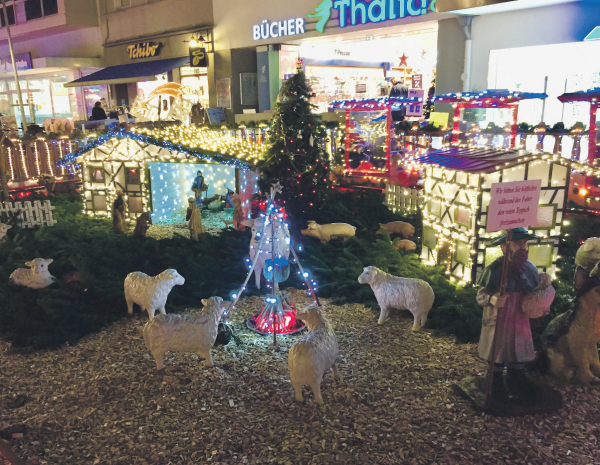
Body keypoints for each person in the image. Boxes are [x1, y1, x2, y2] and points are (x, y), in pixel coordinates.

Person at [476, 227, 555, 400]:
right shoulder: (494, 269)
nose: (522, 247)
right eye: (517, 243)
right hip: (500, 316)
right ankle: (494, 380)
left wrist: (543, 286)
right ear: (505, 246)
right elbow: (481, 295)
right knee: (498, 347)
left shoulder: (530, 268)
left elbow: (534, 293)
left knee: (519, 346)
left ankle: (516, 377)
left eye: (524, 243)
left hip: (520, 316)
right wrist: (492, 299)